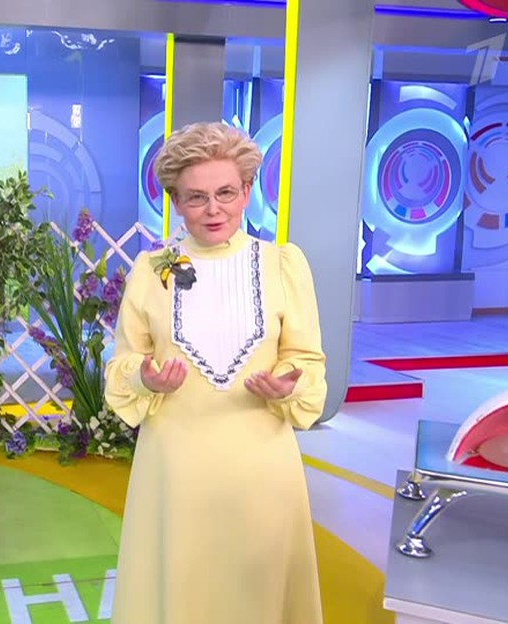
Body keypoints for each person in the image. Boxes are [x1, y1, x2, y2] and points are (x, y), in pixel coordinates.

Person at [105, 121, 327, 624]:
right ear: (175, 202)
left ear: (247, 192)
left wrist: (287, 382)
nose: (213, 209)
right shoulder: (150, 271)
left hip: (262, 467)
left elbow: (307, 360)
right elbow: (122, 364)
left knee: (258, 592)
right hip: (174, 469)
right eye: (196, 197)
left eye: (226, 193)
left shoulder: (283, 265)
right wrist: (145, 378)